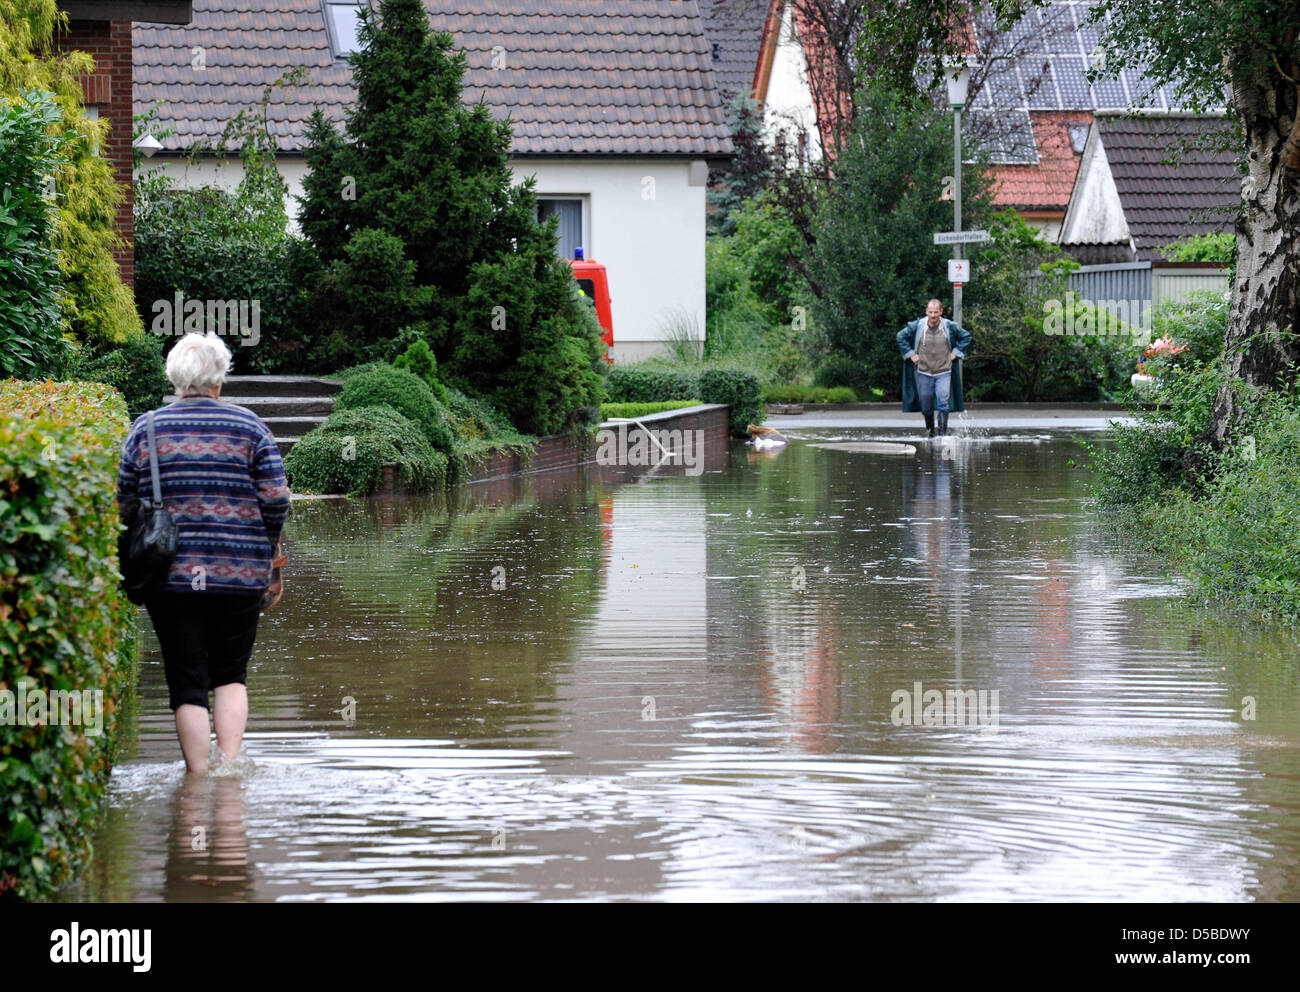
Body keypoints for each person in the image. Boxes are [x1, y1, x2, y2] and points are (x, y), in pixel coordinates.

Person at [116, 332, 291, 774]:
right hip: (239, 573)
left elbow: (123, 505)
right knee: (231, 673)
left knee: (187, 682)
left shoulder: (147, 428)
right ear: (219, 379)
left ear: (175, 377)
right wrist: (269, 556)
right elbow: (276, 499)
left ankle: (196, 780)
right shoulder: (250, 428)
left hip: (169, 578)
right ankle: (230, 773)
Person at [896, 299, 972, 437]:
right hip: (923, 371)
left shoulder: (949, 326)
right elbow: (900, 337)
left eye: (936, 312)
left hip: (944, 371)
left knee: (943, 402)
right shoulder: (917, 325)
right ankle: (931, 433)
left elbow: (966, 336)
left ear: (941, 312)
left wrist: (955, 353)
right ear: (926, 312)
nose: (933, 315)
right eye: (930, 312)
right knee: (926, 405)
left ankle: (943, 434)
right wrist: (911, 354)